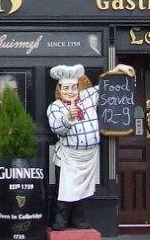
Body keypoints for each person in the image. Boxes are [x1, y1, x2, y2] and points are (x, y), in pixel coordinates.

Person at [46, 62, 134, 230]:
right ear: (60, 89)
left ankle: (78, 219)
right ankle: (60, 219)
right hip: (69, 156)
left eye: (73, 88)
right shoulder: (55, 107)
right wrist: (67, 118)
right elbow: (57, 128)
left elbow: (103, 87)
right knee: (64, 189)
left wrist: (117, 70)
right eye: (66, 88)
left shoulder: (87, 97)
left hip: (90, 154)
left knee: (84, 190)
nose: (70, 92)